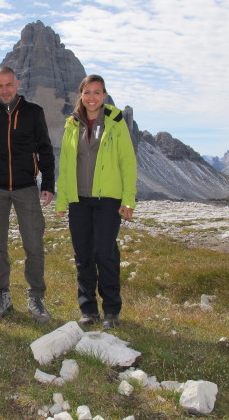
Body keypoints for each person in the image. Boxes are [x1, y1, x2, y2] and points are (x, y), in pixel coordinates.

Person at [0, 66, 55, 323]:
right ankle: (2, 296)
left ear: (17, 84)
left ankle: (36, 297)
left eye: (8, 85)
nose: (4, 90)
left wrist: (48, 183)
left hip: (26, 187)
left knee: (34, 244)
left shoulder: (34, 113)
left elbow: (45, 149)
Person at [55, 74, 137, 330]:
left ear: (104, 95)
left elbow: (128, 161)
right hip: (79, 199)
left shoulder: (115, 120)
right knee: (83, 255)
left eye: (97, 92)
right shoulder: (72, 124)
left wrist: (128, 198)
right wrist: (62, 200)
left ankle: (112, 309)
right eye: (87, 92)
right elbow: (66, 164)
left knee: (105, 252)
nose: (92, 98)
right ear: (81, 94)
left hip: (108, 199)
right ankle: (88, 309)